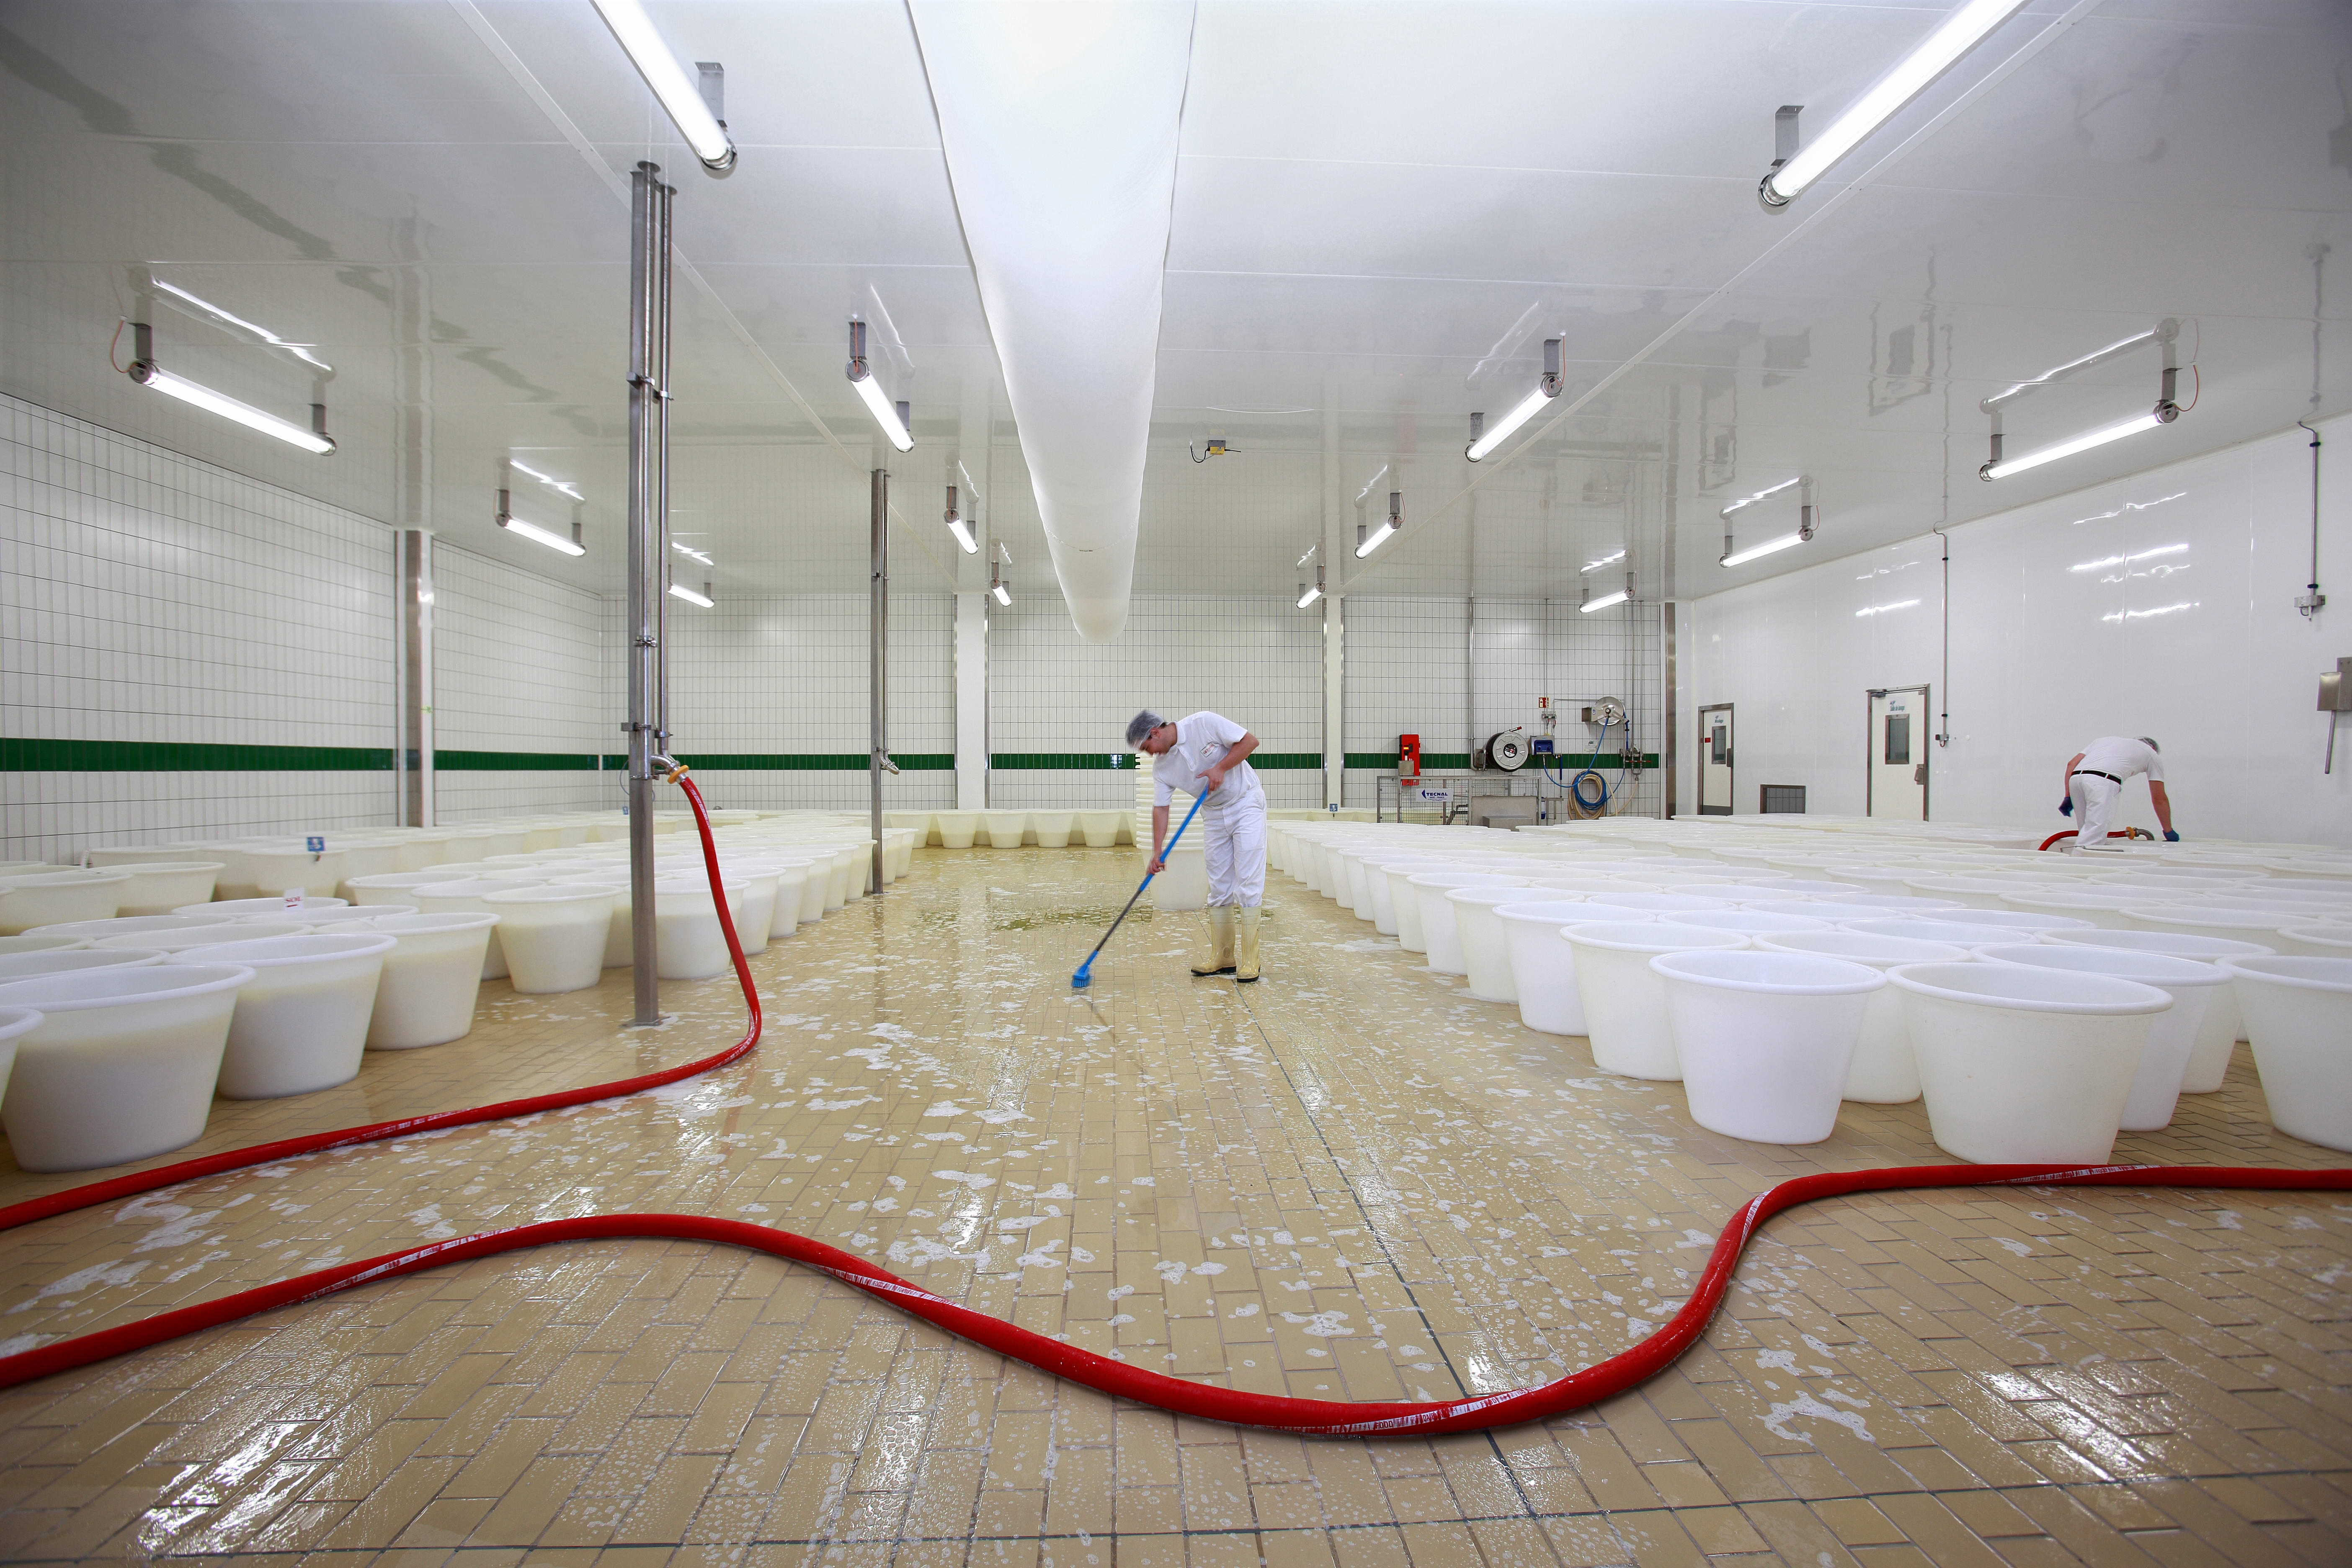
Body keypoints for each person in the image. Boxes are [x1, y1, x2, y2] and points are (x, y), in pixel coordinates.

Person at [1127, 708, 1267, 982]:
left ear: (1155, 733)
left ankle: (1252, 961)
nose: (1150, 754)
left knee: (1248, 882)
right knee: (1219, 885)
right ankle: (1223, 957)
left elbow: (1250, 742)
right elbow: (1161, 808)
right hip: (1214, 814)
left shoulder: (1203, 723)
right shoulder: (1162, 768)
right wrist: (1157, 851)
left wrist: (1221, 768)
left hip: (1246, 804)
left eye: (1147, 747)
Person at [2060, 736, 2178, 851]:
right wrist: (2168, 831)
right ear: (2153, 748)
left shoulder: (2103, 741)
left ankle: (2082, 859)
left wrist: (2068, 796)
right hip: (2103, 782)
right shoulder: (2151, 754)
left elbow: (2071, 764)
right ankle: (2080, 862)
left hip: (2075, 779)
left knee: (2086, 832)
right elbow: (2159, 799)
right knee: (2094, 837)